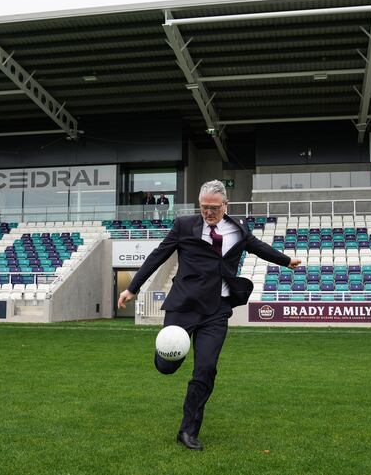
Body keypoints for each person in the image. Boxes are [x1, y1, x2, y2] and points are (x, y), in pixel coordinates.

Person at [117, 180, 300, 451]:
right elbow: (158, 255)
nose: (208, 213)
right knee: (167, 366)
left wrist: (286, 261)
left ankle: (188, 430)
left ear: (225, 205)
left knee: (206, 369)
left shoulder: (237, 229)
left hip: (216, 311)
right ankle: (163, 354)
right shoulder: (183, 226)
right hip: (183, 307)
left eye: (214, 208)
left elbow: (258, 246)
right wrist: (133, 287)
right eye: (204, 207)